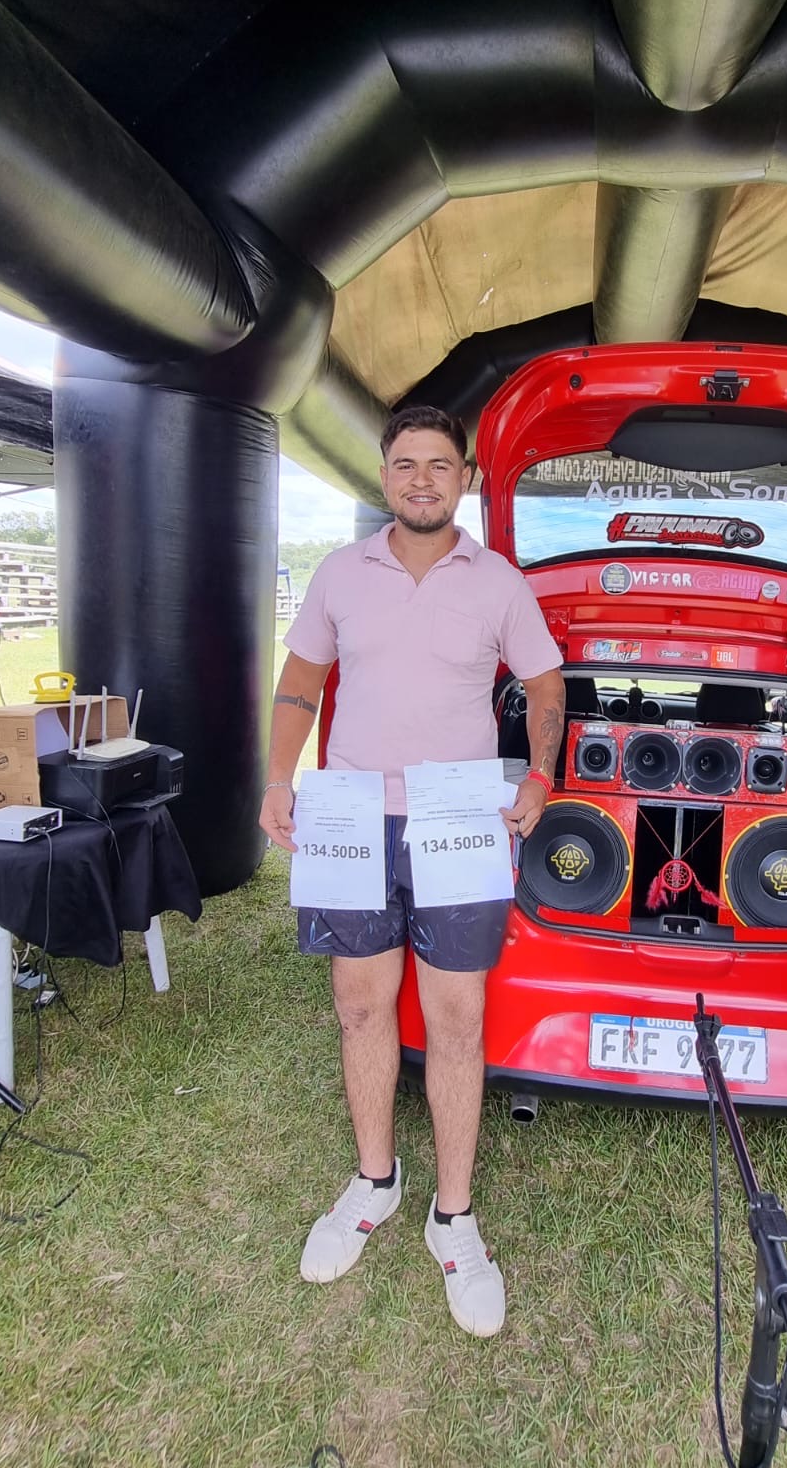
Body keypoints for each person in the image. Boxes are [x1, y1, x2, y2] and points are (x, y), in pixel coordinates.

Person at [259, 405, 565, 1338]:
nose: (421, 479)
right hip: (350, 815)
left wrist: (540, 771)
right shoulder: (340, 572)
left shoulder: (499, 581)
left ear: (464, 478)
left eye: (439, 464)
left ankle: (454, 1216)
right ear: (385, 475)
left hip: (456, 817)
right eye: (405, 463)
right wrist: (277, 778)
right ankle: (375, 1181)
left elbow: (545, 683)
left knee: (457, 1018)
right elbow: (299, 683)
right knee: (359, 1006)